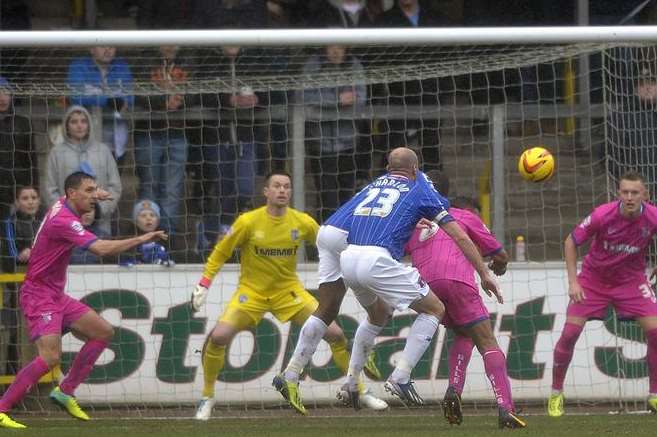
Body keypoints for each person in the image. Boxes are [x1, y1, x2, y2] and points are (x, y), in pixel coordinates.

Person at [281, 148, 499, 411]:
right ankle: (401, 376)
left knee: (359, 311)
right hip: (368, 252)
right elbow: (460, 236)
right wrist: (485, 273)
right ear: (416, 170)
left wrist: (409, 220)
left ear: (388, 168)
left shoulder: (376, 183)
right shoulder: (421, 188)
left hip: (340, 242)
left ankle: (310, 377)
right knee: (434, 309)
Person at [189, 171, 386, 420]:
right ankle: (207, 397)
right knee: (218, 337)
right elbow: (220, 252)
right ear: (266, 192)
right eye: (277, 186)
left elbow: (330, 243)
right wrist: (204, 283)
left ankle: (359, 390)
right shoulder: (248, 222)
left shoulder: (301, 221)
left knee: (335, 334)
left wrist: (357, 261)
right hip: (251, 293)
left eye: (287, 187)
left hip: (289, 292)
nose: (282, 190)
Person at [0, 172, 166, 429]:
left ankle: (65, 391)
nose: (94, 197)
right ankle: (2, 408)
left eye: (94, 190)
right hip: (39, 295)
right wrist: (142, 238)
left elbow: (71, 191)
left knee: (102, 332)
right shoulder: (64, 220)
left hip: (55, 294)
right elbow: (101, 249)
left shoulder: (63, 203)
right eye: (88, 191)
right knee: (50, 357)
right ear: (72, 194)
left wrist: (92, 193)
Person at [405, 174, 525, 429]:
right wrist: (498, 268)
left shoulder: (414, 222)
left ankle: (453, 390)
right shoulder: (462, 215)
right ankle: (506, 409)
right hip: (456, 278)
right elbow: (500, 254)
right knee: (487, 341)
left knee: (463, 332)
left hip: (424, 285)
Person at [548, 171, 657, 417]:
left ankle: (654, 396)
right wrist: (573, 281)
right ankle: (556, 393)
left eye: (635, 193)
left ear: (645, 195)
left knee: (656, 331)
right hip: (593, 280)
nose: (629, 197)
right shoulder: (602, 215)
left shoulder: (653, 216)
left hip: (631, 281)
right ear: (619, 193)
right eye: (625, 192)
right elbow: (570, 241)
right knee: (570, 334)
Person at [303, 44, 367, 221]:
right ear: (324, 47)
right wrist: (337, 101)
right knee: (326, 195)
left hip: (348, 140)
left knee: (347, 193)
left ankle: (346, 237)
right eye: (332, 46)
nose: (336, 51)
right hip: (320, 142)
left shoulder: (354, 65)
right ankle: (325, 237)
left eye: (340, 46)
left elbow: (361, 98)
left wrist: (333, 103)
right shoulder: (313, 66)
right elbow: (306, 97)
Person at [134, 45, 192, 234]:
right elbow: (135, 92)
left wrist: (180, 101)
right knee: (149, 184)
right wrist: (163, 103)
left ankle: (167, 235)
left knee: (173, 188)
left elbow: (203, 92)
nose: (170, 46)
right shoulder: (144, 63)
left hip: (177, 132)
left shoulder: (189, 62)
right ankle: (146, 236)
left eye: (175, 42)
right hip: (149, 132)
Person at [45, 105, 122, 235]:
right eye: (74, 122)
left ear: (89, 124)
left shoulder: (103, 151)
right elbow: (49, 189)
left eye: (83, 121)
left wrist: (97, 210)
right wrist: (69, 212)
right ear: (66, 126)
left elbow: (115, 187)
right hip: (67, 225)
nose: (79, 126)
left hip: (100, 224)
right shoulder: (56, 153)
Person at [67, 46, 134, 166]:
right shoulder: (78, 66)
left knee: (113, 181)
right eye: (103, 46)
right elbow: (75, 96)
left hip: (116, 141)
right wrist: (107, 101)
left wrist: (96, 97)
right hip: (85, 140)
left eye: (111, 46)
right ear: (91, 49)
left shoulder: (122, 66)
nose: (108, 50)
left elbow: (129, 98)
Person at [0, 76, 38, 221]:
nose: (2, 97)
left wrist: (33, 190)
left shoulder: (23, 123)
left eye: (6, 92)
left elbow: (32, 161)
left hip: (19, 191)